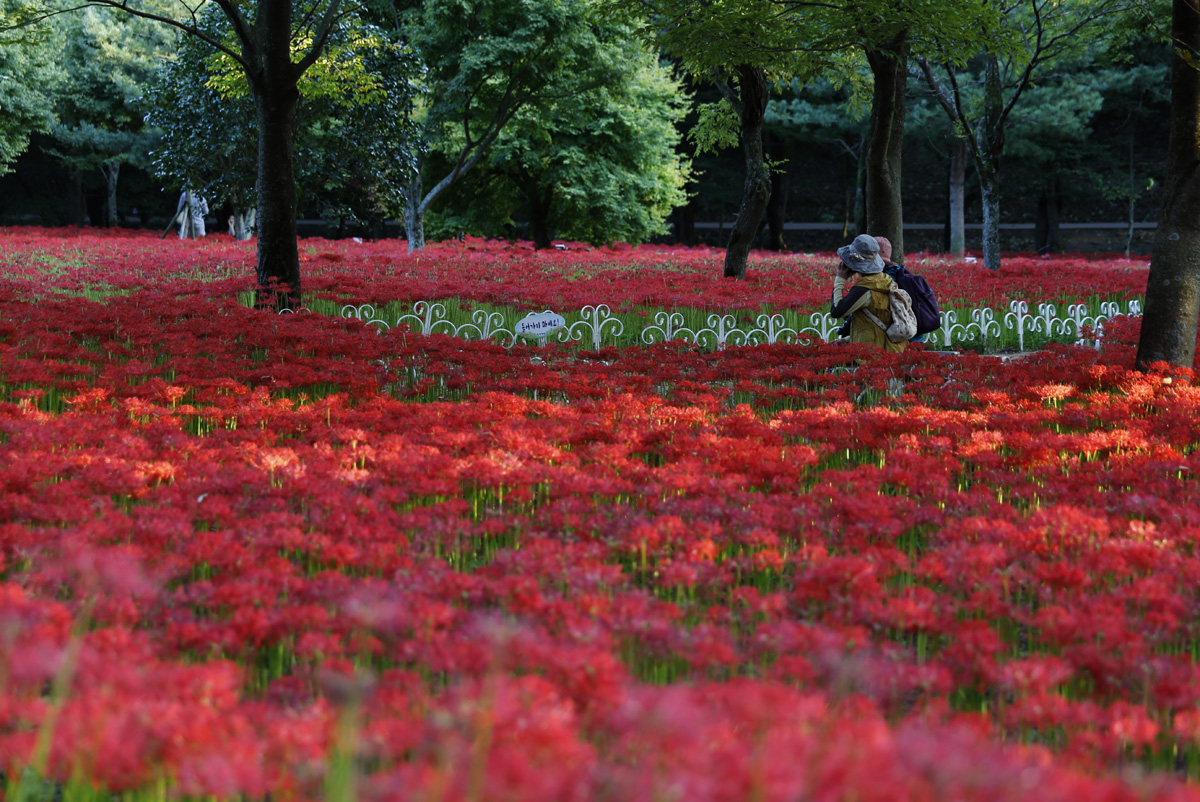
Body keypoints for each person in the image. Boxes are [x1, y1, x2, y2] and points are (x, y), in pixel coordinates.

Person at [830, 234, 906, 353]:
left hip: (872, 354)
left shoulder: (865, 288)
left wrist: (840, 278)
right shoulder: (884, 279)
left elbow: (836, 311)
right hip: (890, 347)